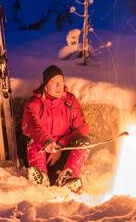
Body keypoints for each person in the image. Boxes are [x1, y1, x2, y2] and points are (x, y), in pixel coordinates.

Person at [22, 64, 91, 193]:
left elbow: (82, 128)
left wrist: (60, 145)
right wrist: (47, 141)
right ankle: (41, 176)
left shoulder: (69, 101)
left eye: (61, 82)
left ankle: (68, 177)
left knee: (83, 142)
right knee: (34, 141)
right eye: (54, 83)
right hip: (43, 149)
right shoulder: (35, 103)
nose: (59, 86)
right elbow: (32, 125)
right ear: (46, 86)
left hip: (63, 149)